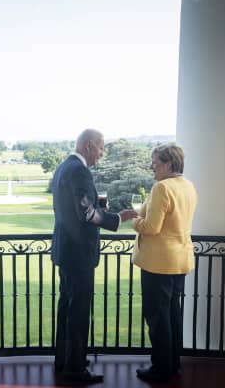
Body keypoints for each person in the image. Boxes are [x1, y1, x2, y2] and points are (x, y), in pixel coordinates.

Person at [51, 128, 137, 384]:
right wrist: (117, 218)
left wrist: (97, 207)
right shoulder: (79, 171)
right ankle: (75, 370)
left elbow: (75, 207)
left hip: (65, 251)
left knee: (67, 306)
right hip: (79, 255)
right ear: (89, 145)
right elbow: (87, 213)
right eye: (101, 147)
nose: (102, 153)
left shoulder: (63, 167)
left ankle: (65, 360)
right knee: (78, 311)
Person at [131, 143, 198, 382]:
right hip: (179, 260)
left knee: (158, 319)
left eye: (156, 163)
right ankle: (173, 364)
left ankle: (160, 369)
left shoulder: (162, 187)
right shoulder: (187, 185)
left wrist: (134, 220)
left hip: (158, 263)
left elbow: (151, 227)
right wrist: (144, 212)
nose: (153, 167)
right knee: (172, 315)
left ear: (169, 164)